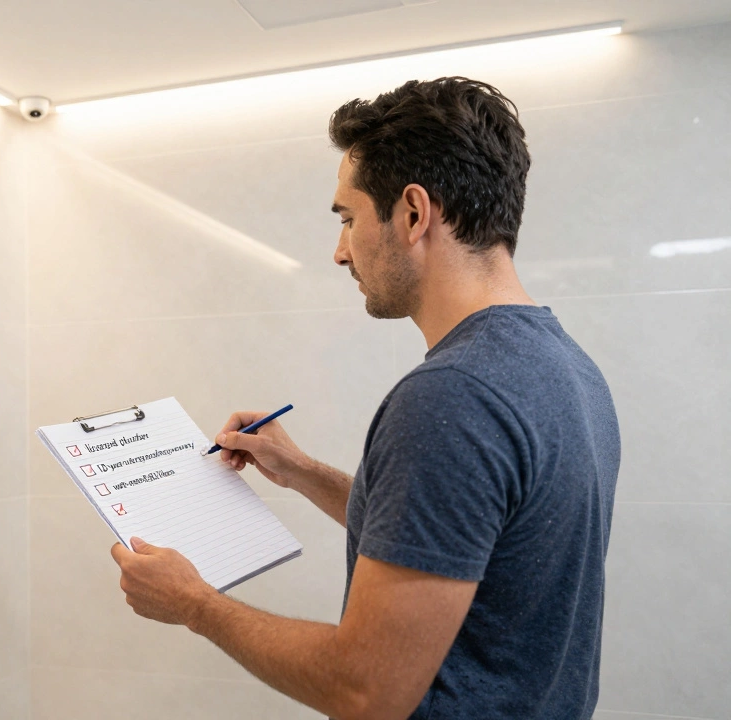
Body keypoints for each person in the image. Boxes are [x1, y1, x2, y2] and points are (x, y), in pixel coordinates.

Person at [109, 77, 621, 720]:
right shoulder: (564, 366)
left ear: (412, 213)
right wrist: (302, 474)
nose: (339, 251)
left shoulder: (451, 398)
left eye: (349, 219)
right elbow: (458, 537)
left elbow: (366, 690)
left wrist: (194, 603)